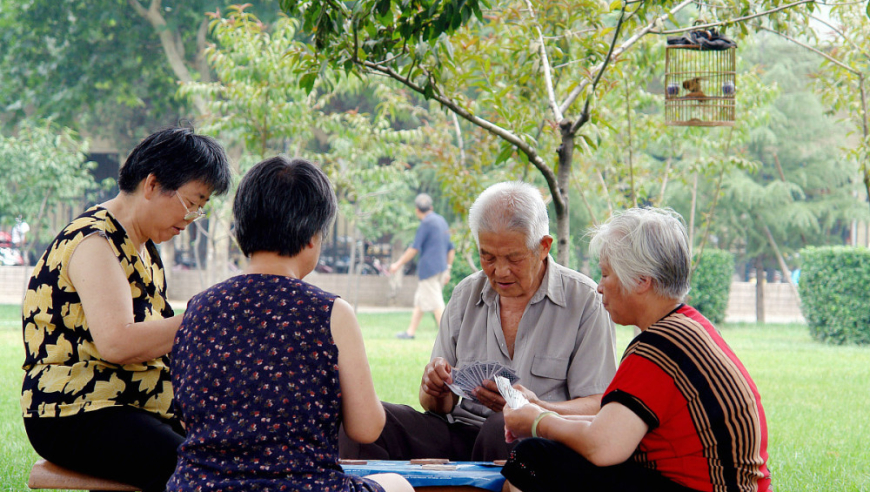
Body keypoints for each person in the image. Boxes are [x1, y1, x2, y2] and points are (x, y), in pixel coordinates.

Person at [167, 156, 412, 492]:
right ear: (313, 236)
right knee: (398, 484)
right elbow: (367, 429)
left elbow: (186, 416)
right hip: (305, 486)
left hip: (197, 486)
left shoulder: (199, 308)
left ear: (240, 231)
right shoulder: (332, 313)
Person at [340, 181, 617, 461]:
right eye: (488, 256)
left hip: (535, 445)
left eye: (514, 258)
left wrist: (536, 407)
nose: (500, 271)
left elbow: (598, 405)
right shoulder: (464, 295)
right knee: (369, 422)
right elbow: (437, 406)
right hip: (461, 434)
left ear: (543, 247)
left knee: (503, 425)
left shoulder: (584, 301)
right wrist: (434, 387)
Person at [20, 127, 232, 492]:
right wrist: (205, 316)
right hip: (74, 409)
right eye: (191, 202)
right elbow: (117, 344)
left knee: (232, 444)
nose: (193, 217)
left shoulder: (145, 248)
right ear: (152, 184)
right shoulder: (93, 241)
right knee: (190, 467)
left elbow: (158, 342)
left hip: (123, 401)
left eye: (201, 207)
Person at [501, 207, 771, 492]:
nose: (599, 288)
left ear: (642, 280)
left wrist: (537, 422)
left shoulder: (659, 347)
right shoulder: (687, 327)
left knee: (535, 458)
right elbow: (616, 424)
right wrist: (540, 407)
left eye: (606, 275)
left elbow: (603, 445)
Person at [390, 193, 455, 339]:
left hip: (429, 270)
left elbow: (414, 248)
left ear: (417, 210)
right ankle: (410, 332)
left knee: (436, 304)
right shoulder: (442, 221)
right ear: (431, 207)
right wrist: (448, 269)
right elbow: (451, 248)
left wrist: (397, 264)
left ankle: (448, 338)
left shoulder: (426, 223)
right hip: (442, 268)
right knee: (420, 301)